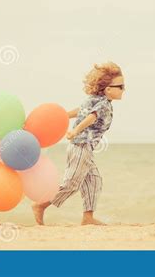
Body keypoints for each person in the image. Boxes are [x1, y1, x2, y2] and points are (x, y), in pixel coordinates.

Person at [32, 62, 125, 226]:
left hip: (84, 148)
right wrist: (75, 131)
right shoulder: (103, 105)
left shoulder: (95, 99)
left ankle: (88, 217)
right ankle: (40, 205)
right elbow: (91, 117)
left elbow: (81, 111)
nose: (124, 89)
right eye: (121, 86)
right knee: (72, 183)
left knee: (94, 180)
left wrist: (63, 116)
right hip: (81, 146)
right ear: (108, 89)